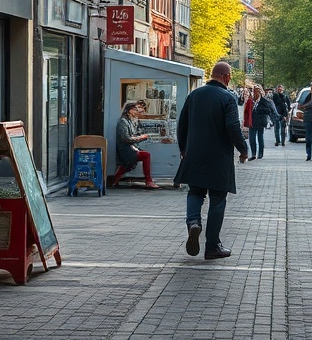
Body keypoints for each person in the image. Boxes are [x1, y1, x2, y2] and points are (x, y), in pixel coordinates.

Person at [174, 62, 249, 260]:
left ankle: (193, 223)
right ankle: (213, 246)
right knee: (217, 199)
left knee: (195, 192)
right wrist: (243, 149)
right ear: (226, 76)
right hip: (219, 157)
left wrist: (183, 149)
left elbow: (182, 124)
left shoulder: (194, 95)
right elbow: (233, 126)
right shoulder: (228, 98)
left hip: (194, 154)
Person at [112, 101, 161, 189]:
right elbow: (126, 138)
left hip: (131, 148)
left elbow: (135, 133)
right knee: (145, 155)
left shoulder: (131, 121)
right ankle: (148, 181)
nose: (136, 111)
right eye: (134, 109)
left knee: (129, 165)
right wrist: (140, 138)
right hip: (126, 149)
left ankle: (116, 177)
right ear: (129, 110)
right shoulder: (123, 122)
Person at [249, 85, 279, 160]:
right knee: (252, 138)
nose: (255, 93)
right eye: (254, 91)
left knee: (260, 137)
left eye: (257, 91)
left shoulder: (264, 100)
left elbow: (268, 110)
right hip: (252, 121)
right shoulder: (251, 100)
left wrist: (259, 109)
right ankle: (253, 154)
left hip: (260, 121)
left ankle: (260, 153)